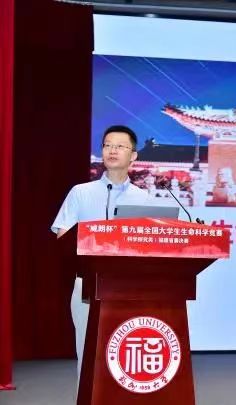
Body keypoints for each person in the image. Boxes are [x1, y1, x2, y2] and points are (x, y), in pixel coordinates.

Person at [51, 125, 149, 384]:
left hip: (129, 287)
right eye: (107, 145)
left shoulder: (143, 198)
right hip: (87, 285)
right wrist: (97, 236)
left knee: (125, 356)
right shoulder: (81, 192)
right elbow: (62, 236)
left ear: (133, 155)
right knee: (88, 354)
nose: (112, 150)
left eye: (119, 146)